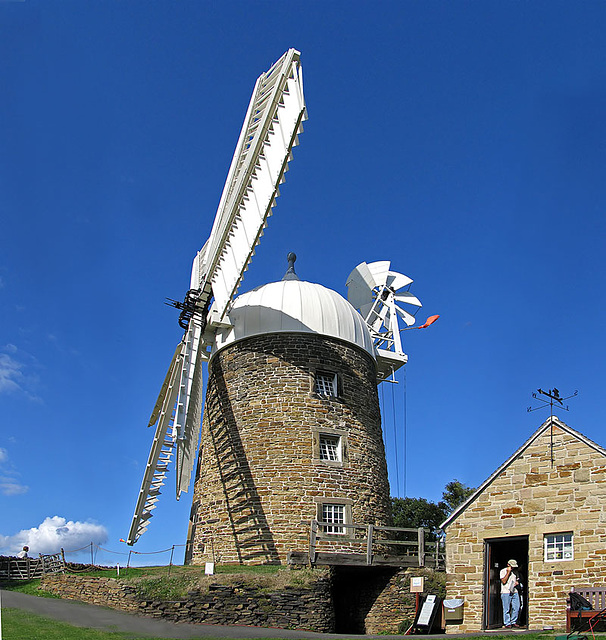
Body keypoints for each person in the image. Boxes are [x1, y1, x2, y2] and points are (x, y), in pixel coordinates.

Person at [500, 558, 521, 628]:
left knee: (516, 607)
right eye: (511, 566)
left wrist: (517, 583)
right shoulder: (502, 571)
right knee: (506, 608)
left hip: (514, 591)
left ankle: (513, 621)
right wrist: (508, 572)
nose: (513, 568)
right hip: (506, 592)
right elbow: (503, 581)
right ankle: (507, 623)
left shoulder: (515, 572)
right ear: (508, 565)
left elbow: (517, 579)